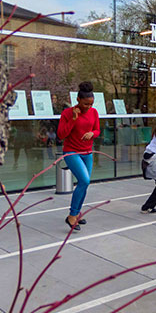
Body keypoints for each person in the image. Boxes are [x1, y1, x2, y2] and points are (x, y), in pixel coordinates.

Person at [57, 81, 100, 231]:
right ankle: (72, 215)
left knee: (84, 184)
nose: (89, 107)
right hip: (71, 152)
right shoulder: (67, 113)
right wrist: (73, 119)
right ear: (78, 100)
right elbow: (61, 134)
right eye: (86, 104)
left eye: (91, 104)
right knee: (84, 180)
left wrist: (92, 133)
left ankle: (76, 214)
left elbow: (97, 130)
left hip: (87, 152)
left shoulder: (94, 112)